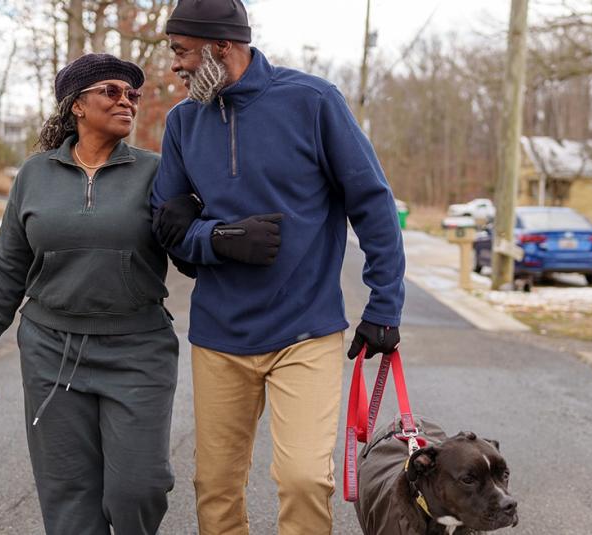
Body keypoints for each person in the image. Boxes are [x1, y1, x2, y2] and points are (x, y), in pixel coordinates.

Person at [151, 1, 406, 534]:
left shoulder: (312, 102)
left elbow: (373, 203)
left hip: (305, 332)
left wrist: (385, 304)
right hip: (219, 336)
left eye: (181, 51)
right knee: (215, 487)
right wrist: (219, 239)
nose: (175, 65)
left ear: (222, 45)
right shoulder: (182, 122)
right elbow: (167, 226)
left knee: (304, 480)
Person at [0, 53, 180, 535]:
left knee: (138, 488)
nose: (127, 102)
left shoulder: (156, 172)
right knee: (68, 495)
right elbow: (8, 270)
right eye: (112, 92)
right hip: (52, 350)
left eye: (133, 95)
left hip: (138, 349)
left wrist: (216, 236)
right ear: (77, 105)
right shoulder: (35, 175)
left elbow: (191, 251)